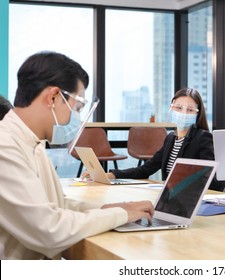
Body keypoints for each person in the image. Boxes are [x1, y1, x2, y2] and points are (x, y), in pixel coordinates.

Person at [0, 51, 154, 260]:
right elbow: (49, 230)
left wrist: (111, 208)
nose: (77, 117)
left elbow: (56, 206)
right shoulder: (5, 146)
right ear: (53, 97)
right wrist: (121, 214)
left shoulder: (33, 143)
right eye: (77, 107)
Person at [108, 88, 225, 191]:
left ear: (197, 114)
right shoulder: (170, 138)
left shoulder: (203, 138)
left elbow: (211, 180)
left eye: (190, 110)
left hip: (189, 198)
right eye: (178, 108)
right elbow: (146, 169)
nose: (183, 113)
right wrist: (112, 175)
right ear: (171, 108)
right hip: (169, 197)